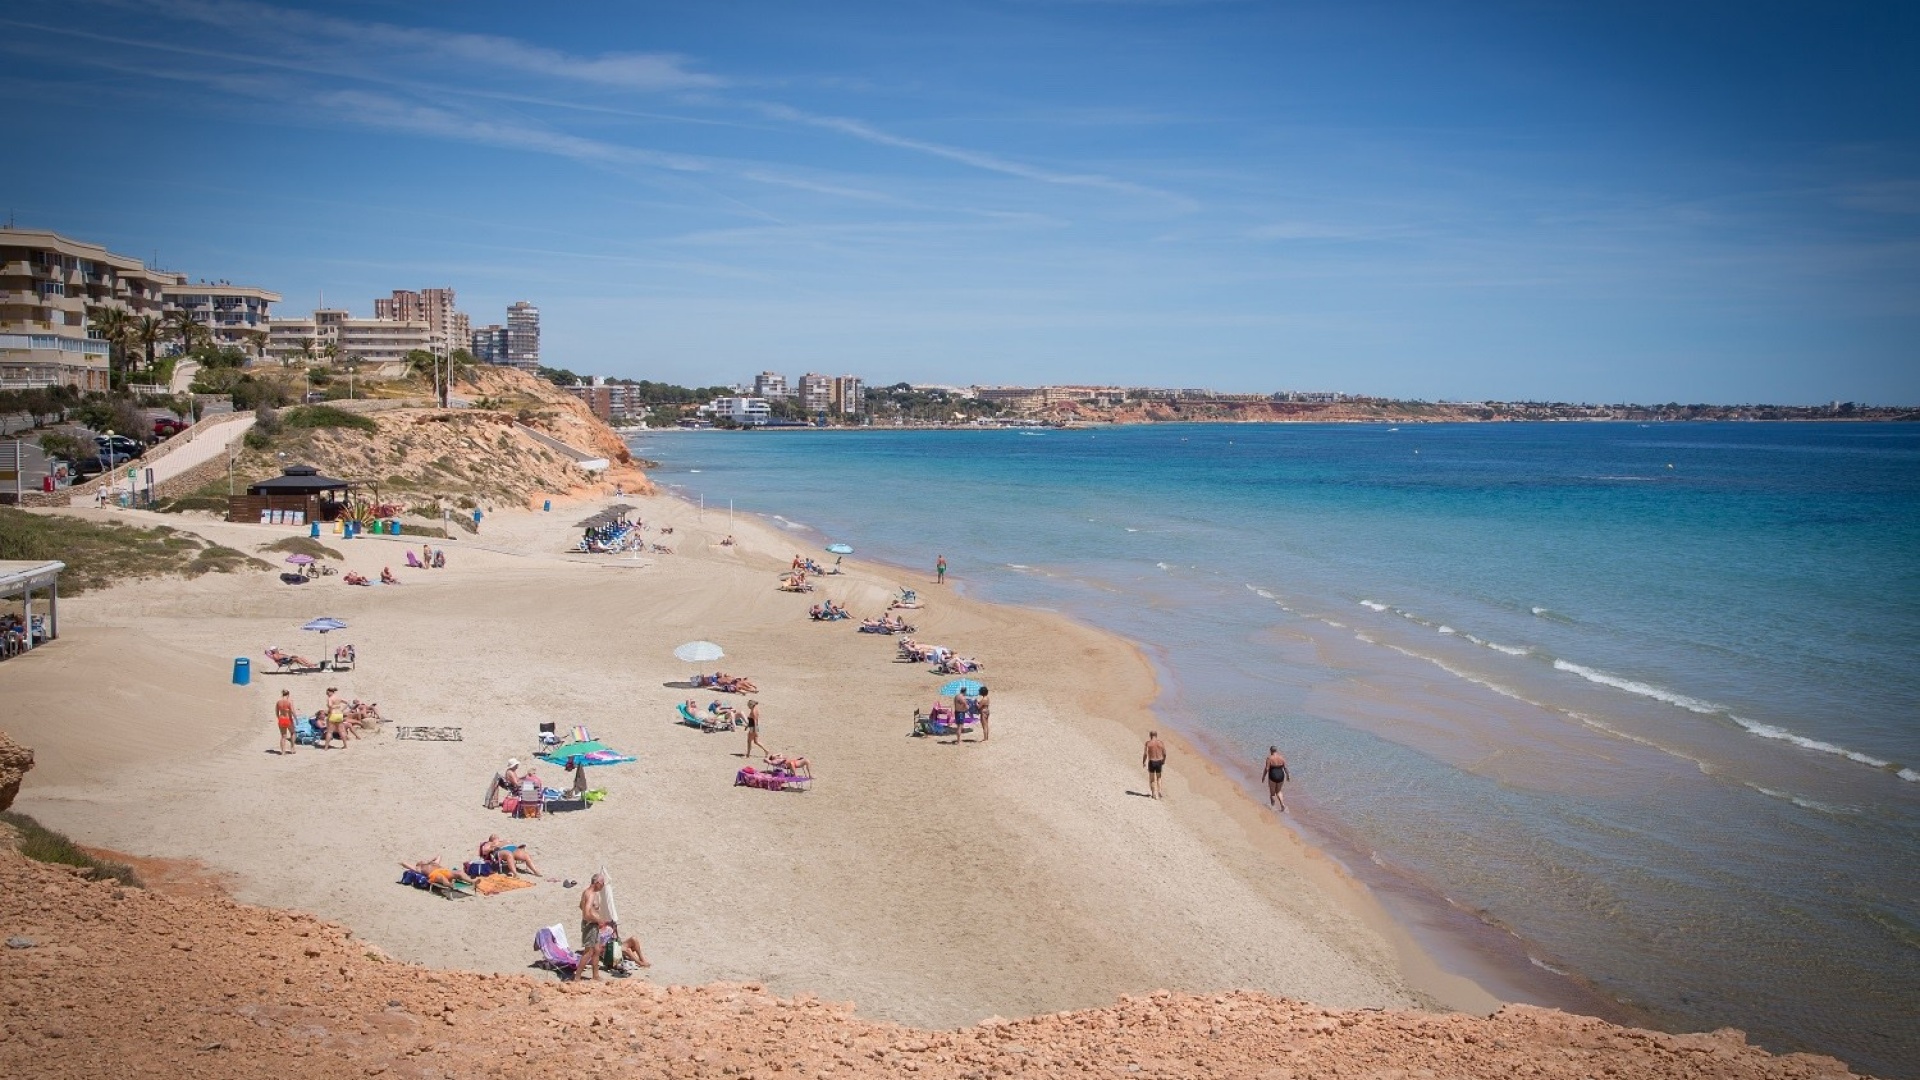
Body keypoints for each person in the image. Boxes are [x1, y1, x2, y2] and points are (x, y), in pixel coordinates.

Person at [579, 873, 650, 978]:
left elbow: (581, 906)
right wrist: (598, 920)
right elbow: (586, 913)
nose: (602, 886)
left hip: (593, 926)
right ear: (597, 882)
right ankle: (577, 977)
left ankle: (595, 976)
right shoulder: (591, 894)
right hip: (591, 926)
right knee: (588, 952)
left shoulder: (587, 892)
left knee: (596, 951)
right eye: (602, 884)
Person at [1262, 746, 1289, 811]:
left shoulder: (1269, 758)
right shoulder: (1281, 758)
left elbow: (1267, 768)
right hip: (1281, 775)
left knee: (1272, 793)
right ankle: (1282, 805)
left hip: (1273, 775)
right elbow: (1285, 768)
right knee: (1279, 791)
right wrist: (1288, 776)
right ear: (1276, 751)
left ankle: (1273, 807)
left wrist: (1263, 776)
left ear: (1271, 751)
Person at [1142, 731, 1167, 799]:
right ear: (1156, 735)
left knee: (1152, 779)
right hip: (1159, 762)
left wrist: (1143, 762)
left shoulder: (1148, 743)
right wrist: (1163, 761)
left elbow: (1145, 754)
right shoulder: (1161, 743)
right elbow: (1164, 753)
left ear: (1150, 735)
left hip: (1152, 762)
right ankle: (1160, 791)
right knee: (1159, 778)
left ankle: (1153, 794)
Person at [274, 689, 298, 755]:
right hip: (288, 719)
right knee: (293, 733)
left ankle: (283, 751)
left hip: (281, 718)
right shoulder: (289, 701)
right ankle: (292, 748)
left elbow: (276, 712)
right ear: (288, 695)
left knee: (283, 736)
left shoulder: (278, 702)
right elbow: (292, 711)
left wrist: (278, 718)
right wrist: (296, 719)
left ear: (282, 694)